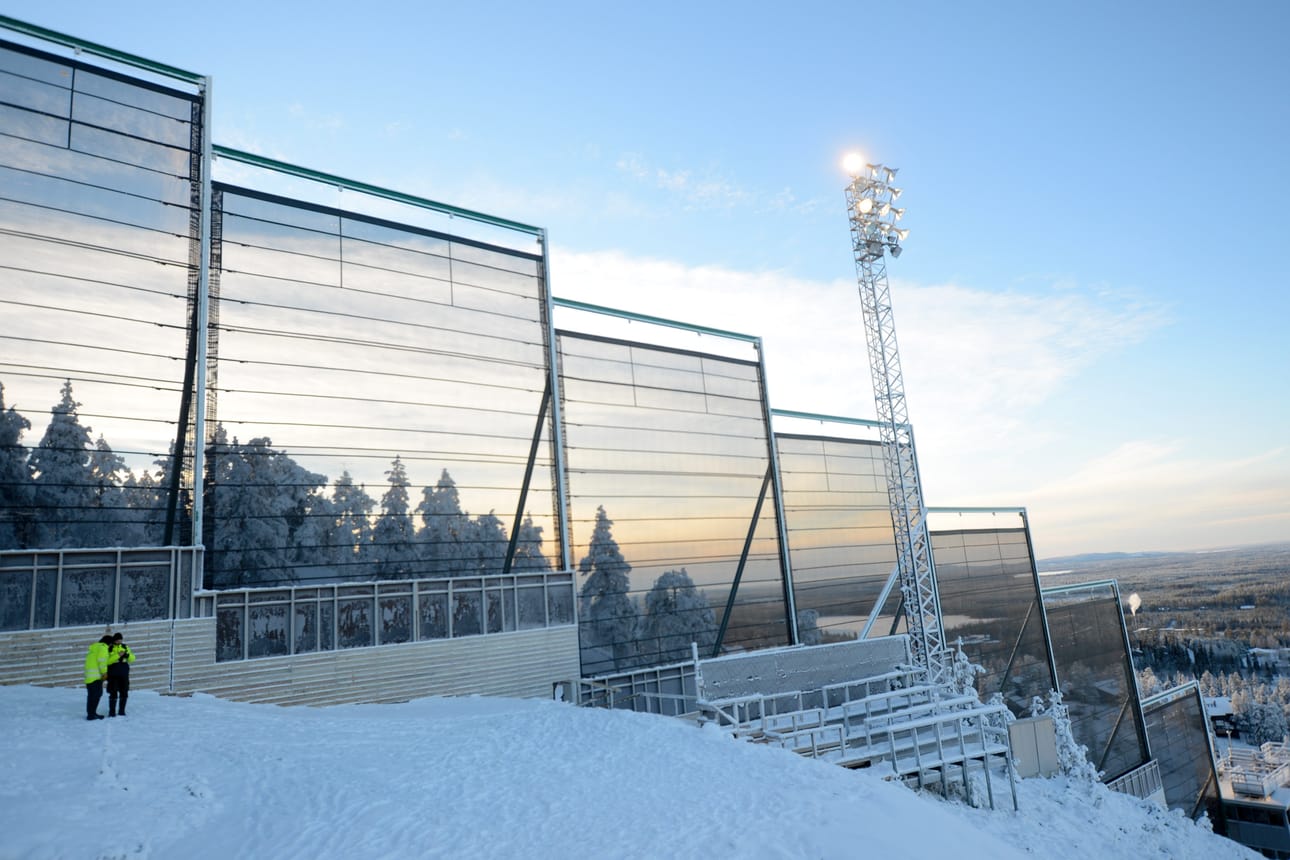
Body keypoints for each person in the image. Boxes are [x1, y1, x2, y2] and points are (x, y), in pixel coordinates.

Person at [84, 634, 112, 720]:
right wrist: (104, 673)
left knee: (92, 695)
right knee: (96, 695)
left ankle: (91, 713)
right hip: (96, 676)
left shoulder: (94, 648)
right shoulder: (103, 648)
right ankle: (92, 714)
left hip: (90, 676)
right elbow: (102, 661)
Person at [106, 633, 135, 717]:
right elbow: (107, 661)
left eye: (120, 640)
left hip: (123, 674)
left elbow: (133, 659)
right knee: (113, 692)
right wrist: (118, 655)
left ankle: (122, 711)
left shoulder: (125, 647)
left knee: (124, 692)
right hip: (113, 674)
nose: (119, 641)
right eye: (117, 640)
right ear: (114, 640)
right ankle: (112, 712)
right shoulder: (110, 648)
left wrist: (127, 655)